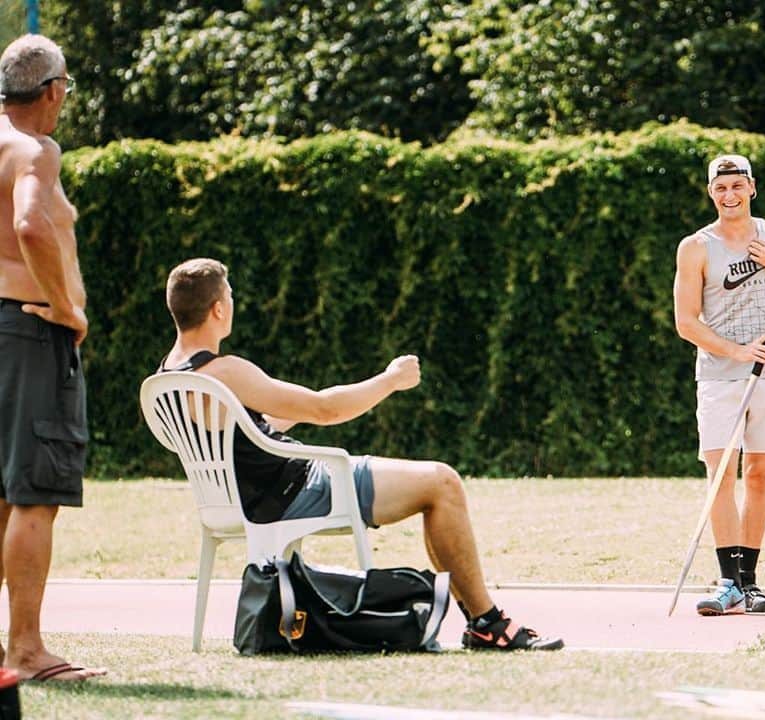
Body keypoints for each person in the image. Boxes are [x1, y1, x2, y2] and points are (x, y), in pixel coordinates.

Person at [159, 258, 564, 651]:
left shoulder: (167, 376)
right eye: (230, 296)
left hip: (238, 503)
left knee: (436, 484)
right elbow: (326, 410)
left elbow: (242, 435)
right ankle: (488, 624)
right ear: (217, 309)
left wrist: (287, 419)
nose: (233, 304)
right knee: (442, 482)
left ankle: (481, 624)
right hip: (299, 488)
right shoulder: (225, 371)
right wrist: (390, 380)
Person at [0, 35, 106, 681]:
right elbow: (32, 225)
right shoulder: (37, 150)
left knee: (2, 497)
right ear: (54, 90)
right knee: (35, 495)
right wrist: (67, 307)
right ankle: (27, 650)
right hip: (28, 333)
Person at [673, 154, 765, 615]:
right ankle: (727, 583)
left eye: (738, 185)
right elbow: (684, 322)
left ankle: (750, 583)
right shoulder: (696, 246)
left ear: (752, 187)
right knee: (720, 478)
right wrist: (736, 351)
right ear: (711, 193)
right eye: (721, 188)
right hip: (719, 377)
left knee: (758, 476)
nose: (730, 195)